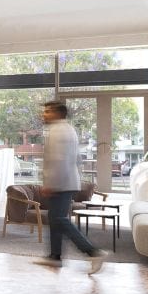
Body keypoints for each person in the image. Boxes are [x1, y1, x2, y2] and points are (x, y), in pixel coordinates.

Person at [34, 100, 109, 273]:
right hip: (67, 181)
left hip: (61, 183)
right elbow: (76, 160)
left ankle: (93, 252)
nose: (44, 114)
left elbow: (59, 160)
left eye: (48, 111)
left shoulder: (58, 132)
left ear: (58, 113)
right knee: (55, 219)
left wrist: (51, 184)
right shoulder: (67, 129)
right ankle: (55, 256)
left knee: (59, 219)